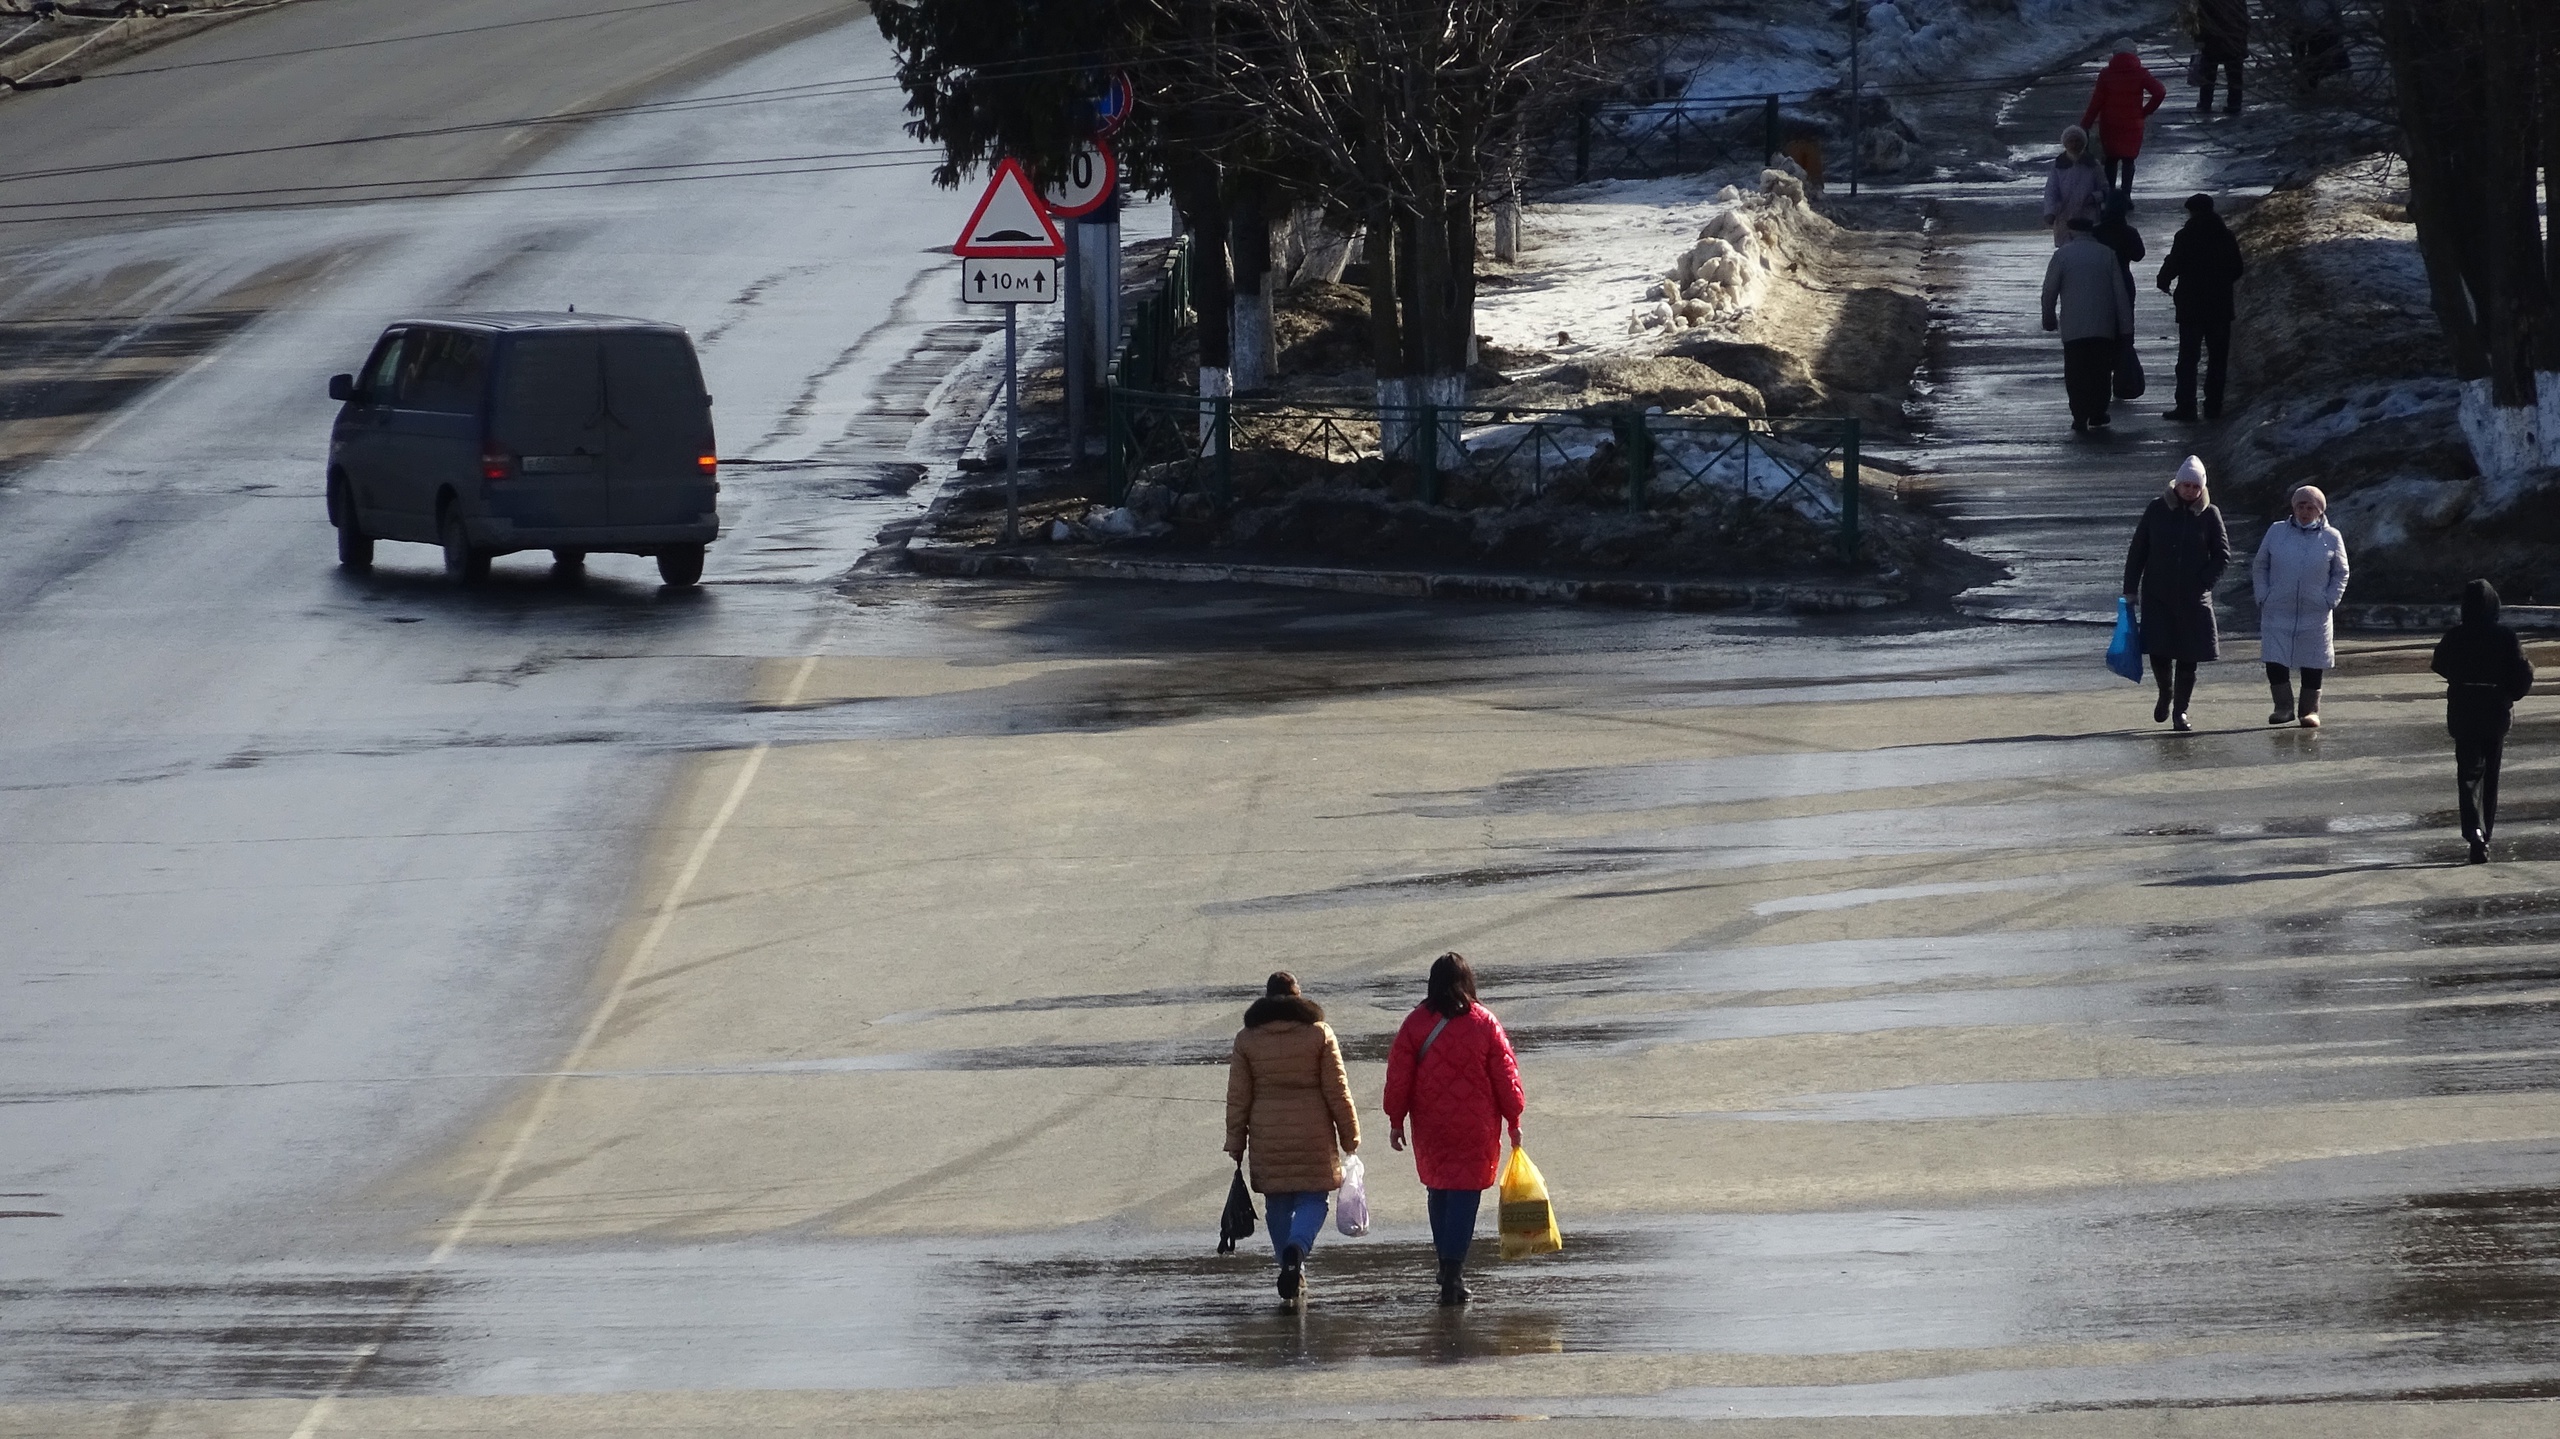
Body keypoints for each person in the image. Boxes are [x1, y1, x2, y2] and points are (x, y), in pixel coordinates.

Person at [1381, 952, 1524, 1307]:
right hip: (1475, 1125)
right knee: (1465, 1194)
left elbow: (1399, 1078)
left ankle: (1446, 1265)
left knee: (1439, 1189)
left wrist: (1396, 1119)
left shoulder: (1415, 1023)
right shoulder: (1485, 1023)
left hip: (1431, 1124)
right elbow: (1506, 1077)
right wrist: (1514, 1119)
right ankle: (1453, 1271)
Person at [1224, 970, 1360, 1310]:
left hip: (1267, 1133)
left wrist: (1236, 1141)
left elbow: (1238, 1097)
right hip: (1313, 1131)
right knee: (1314, 1198)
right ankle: (1296, 1250)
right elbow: (1337, 1090)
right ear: (1298, 998)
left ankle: (1287, 1263)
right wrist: (1350, 1135)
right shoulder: (1319, 1034)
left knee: (1278, 1203)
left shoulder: (1247, 1039)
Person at [2431, 580, 2535, 864]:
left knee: (2467, 775)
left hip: (2463, 708)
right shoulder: (2505, 636)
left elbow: (2438, 663)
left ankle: (2472, 832)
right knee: (2491, 776)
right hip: (2495, 710)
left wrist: (2460, 679)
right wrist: (2509, 695)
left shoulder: (2455, 635)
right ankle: (2484, 835)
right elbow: (2523, 673)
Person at [2124, 456, 2230, 730]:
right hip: (2158, 593)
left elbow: (2222, 555)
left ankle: (2180, 710)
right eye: (2186, 485)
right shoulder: (2157, 509)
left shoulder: (2210, 514)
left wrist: (2203, 582)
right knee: (2159, 649)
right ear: (2177, 484)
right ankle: (2165, 693)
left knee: (2189, 655)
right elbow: (2138, 551)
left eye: (2196, 487)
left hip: (2193, 598)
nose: (2190, 491)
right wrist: (2130, 589)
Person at [2250, 484, 2349, 727]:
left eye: (2310, 507)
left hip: (2315, 610)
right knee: (2275, 658)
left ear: (2320, 510)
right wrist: (2263, 594)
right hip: (2278, 608)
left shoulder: (2331, 537)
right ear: (2293, 508)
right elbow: (2260, 564)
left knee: (2313, 660)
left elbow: (2341, 572)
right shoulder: (2276, 532)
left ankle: (2309, 710)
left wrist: (2329, 599)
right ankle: (2282, 708)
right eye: (2300, 506)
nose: (2305, 511)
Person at [2157, 193, 2246, 421]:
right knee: (2217, 358)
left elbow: (2174, 263)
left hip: (2191, 307)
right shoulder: (2225, 236)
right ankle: (2213, 405)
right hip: (2219, 307)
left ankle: (2186, 406)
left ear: (2192, 211)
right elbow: (2237, 268)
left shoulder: (2185, 236)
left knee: (2188, 358)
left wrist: (2164, 280)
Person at [2044, 216, 2135, 433]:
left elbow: (2050, 290)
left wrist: (2048, 316)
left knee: (2075, 372)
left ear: (2071, 231)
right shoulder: (2107, 254)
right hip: (2103, 325)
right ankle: (2097, 412)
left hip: (2073, 327)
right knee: (2101, 371)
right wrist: (2126, 328)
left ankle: (2079, 414)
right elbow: (2119, 294)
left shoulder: (2062, 256)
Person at [2080, 39, 2166, 201]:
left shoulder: (2106, 74)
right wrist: (2145, 111)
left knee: (2111, 160)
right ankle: (2126, 196)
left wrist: (2085, 124)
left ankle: (2110, 195)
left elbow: (2096, 102)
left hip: (2110, 124)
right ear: (2134, 53)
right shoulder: (2140, 73)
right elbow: (2159, 92)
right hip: (2133, 124)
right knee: (2128, 161)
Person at [2041, 126, 2106, 246]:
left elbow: (2105, 189)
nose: (2074, 144)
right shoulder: (2058, 165)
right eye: (2071, 141)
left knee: (2087, 247)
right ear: (2065, 143)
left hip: (2088, 215)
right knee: (2065, 249)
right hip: (2064, 215)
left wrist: (2094, 197)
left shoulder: (2092, 164)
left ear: (2083, 143)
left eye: (2077, 141)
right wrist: (2050, 212)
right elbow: (2051, 191)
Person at [2196, 0, 2249, 114]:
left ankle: (2206, 102)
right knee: (2234, 75)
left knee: (2209, 73)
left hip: (2214, 40)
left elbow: (2202, 18)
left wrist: (2200, 38)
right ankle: (2234, 104)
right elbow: (2243, 19)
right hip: (2234, 40)